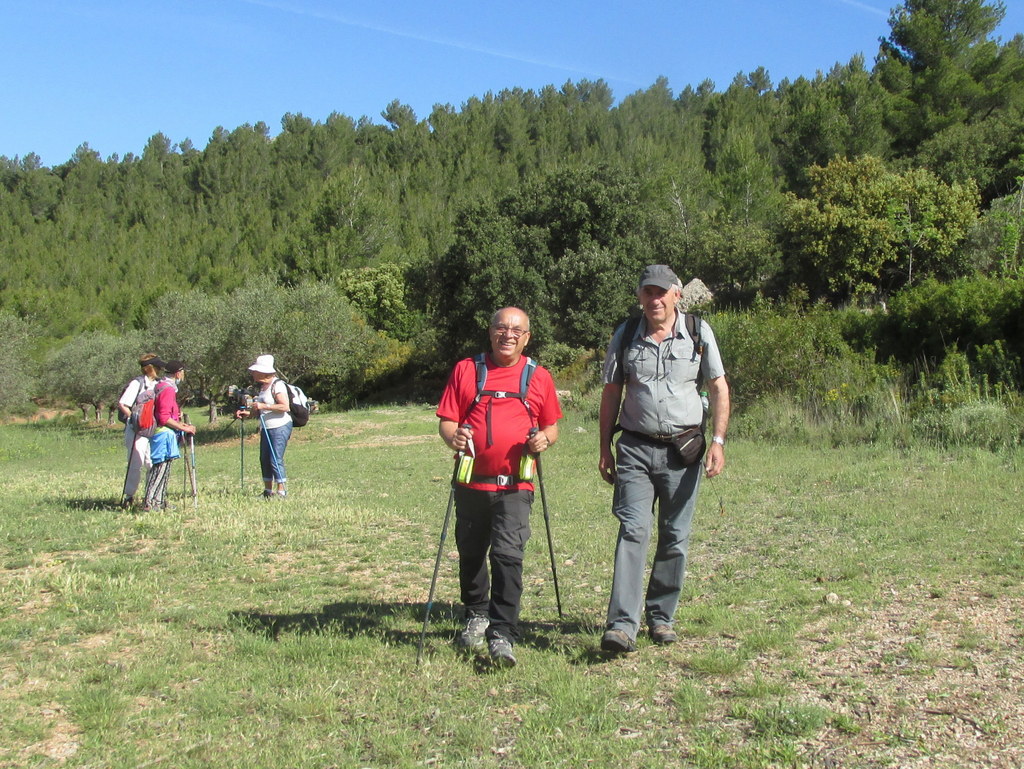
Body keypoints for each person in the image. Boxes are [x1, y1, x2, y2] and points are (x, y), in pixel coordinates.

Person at [598, 265, 731, 654]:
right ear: (639, 296)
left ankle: (661, 617)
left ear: (676, 294)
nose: (653, 300)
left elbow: (719, 387)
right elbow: (611, 393)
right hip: (635, 448)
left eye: (660, 292)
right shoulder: (625, 335)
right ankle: (622, 626)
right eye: (646, 292)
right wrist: (604, 446)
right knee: (633, 531)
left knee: (674, 536)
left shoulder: (698, 332)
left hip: (683, 451)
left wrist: (718, 441)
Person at [436, 307, 563, 667]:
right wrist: (454, 437)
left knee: (509, 557)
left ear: (527, 337)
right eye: (501, 327)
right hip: (471, 482)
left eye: (516, 330)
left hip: (515, 486)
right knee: (471, 552)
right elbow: (447, 421)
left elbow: (552, 425)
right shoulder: (466, 370)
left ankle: (503, 632)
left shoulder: (538, 376)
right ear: (490, 331)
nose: (508, 334)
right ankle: (476, 613)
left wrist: (545, 440)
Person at [141, 360, 196, 512]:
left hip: (163, 432)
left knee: (163, 468)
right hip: (163, 433)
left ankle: (158, 501)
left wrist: (181, 425)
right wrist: (182, 427)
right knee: (160, 468)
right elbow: (164, 417)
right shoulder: (168, 389)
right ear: (178, 373)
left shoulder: (161, 386)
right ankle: (150, 502)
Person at [235, 354, 292, 499]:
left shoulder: (277, 385)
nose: (252, 373)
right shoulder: (263, 387)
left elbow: (285, 406)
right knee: (264, 458)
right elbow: (262, 410)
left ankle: (282, 491)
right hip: (266, 427)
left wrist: (263, 405)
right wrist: (247, 413)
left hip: (280, 426)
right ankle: (268, 491)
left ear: (263, 372)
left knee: (275, 458)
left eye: (255, 371)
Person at [117, 353, 164, 509]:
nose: (159, 369)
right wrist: (134, 420)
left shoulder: (157, 384)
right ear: (152, 368)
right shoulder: (137, 384)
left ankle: (152, 496)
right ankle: (129, 496)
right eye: (157, 366)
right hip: (136, 430)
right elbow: (123, 404)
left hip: (151, 429)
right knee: (135, 463)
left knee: (152, 462)